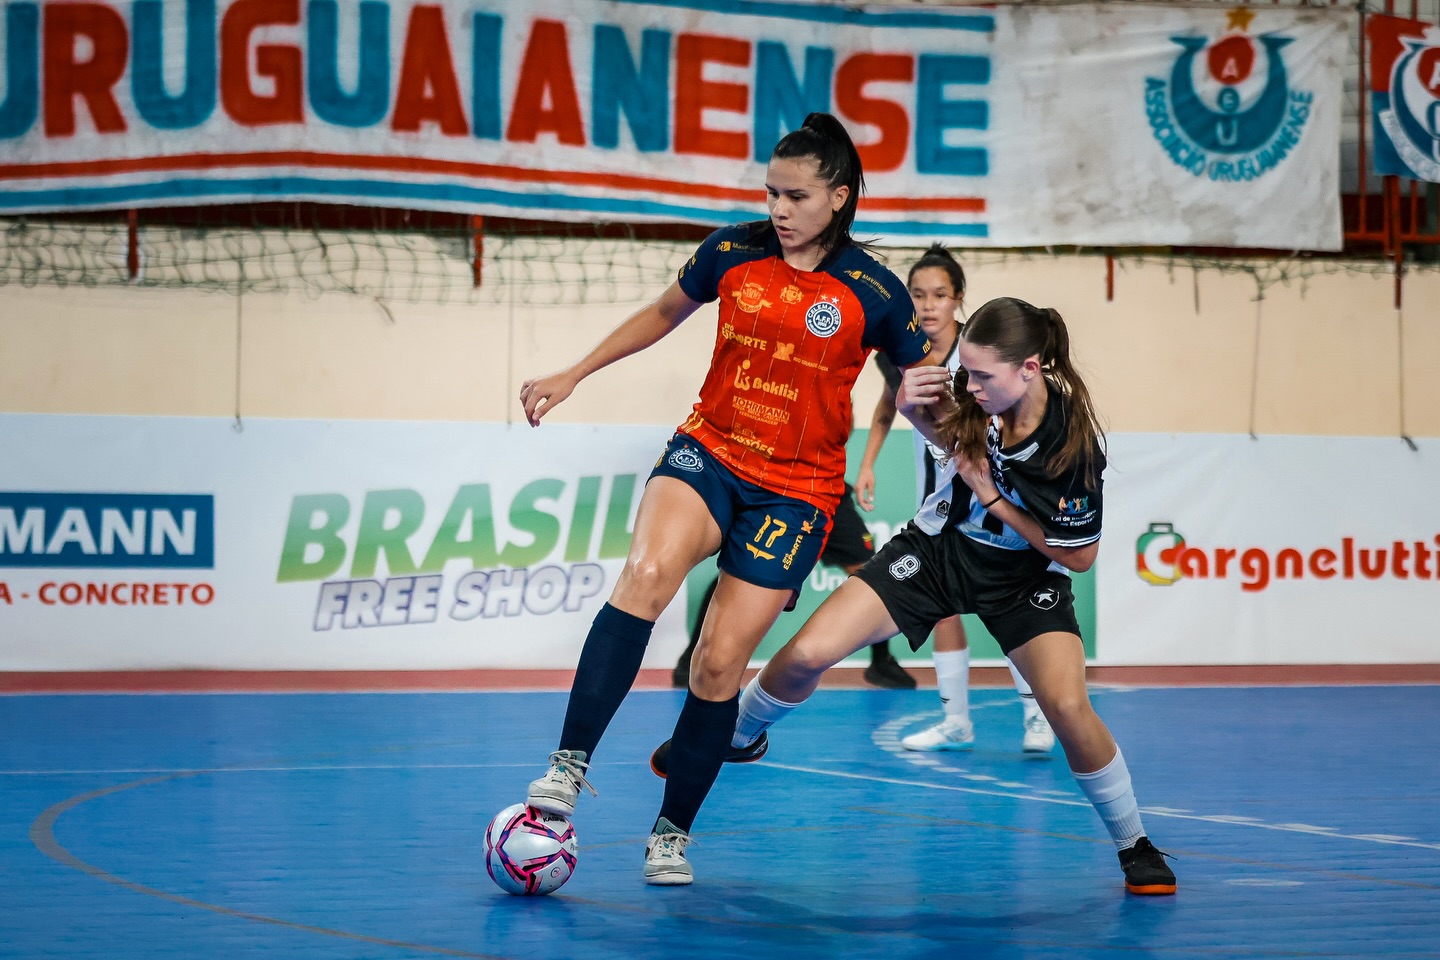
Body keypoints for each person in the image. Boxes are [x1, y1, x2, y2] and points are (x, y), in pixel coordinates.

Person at [518, 112, 932, 885]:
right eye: (771, 191)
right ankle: (569, 767)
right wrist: (575, 371)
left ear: (838, 198)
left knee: (717, 665)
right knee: (644, 576)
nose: (778, 208)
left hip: (799, 491)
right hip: (709, 450)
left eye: (797, 196)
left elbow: (916, 390)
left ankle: (671, 832)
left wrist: (959, 429)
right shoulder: (732, 250)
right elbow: (662, 313)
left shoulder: (873, 291)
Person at [656, 296, 1178, 895]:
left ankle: (1135, 843)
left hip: (1024, 576)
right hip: (937, 551)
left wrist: (995, 498)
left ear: (1030, 369)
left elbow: (1079, 556)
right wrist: (910, 406)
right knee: (805, 654)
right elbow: (942, 430)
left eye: (984, 375)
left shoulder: (1074, 445)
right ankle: (735, 735)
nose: (971, 384)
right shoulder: (975, 396)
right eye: (968, 371)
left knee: (1065, 707)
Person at [855, 245, 1056, 754]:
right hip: (940, 504)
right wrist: (867, 465)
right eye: (917, 295)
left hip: (994, 501)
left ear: (958, 300)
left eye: (939, 295)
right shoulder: (897, 355)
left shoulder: (977, 356)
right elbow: (886, 409)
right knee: (943, 608)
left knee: (1013, 608)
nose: (926, 306)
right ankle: (956, 721)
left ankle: (1038, 714)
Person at [671, 482, 916, 691]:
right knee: (744, 570)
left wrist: (865, 466)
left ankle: (881, 662)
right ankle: (690, 658)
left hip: (830, 494)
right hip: (784, 492)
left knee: (869, 569)